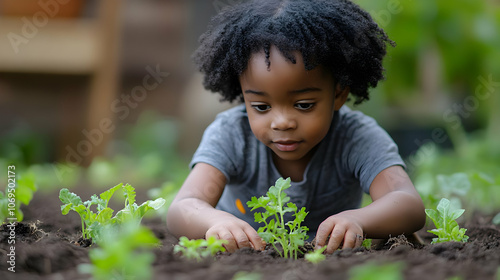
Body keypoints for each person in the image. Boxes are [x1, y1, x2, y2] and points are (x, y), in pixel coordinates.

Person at [167, 0, 426, 254]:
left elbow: (408, 203)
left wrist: (359, 219)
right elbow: (184, 206)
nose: (282, 122)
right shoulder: (231, 134)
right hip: (248, 259)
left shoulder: (356, 137)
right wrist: (216, 222)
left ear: (338, 94)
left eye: (303, 105)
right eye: (260, 107)